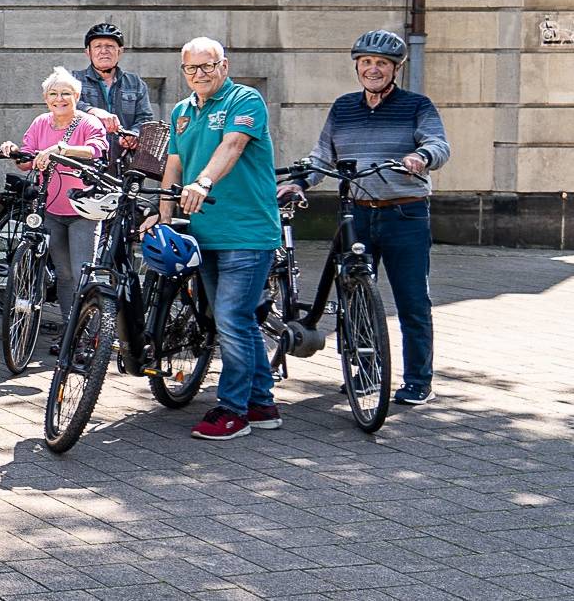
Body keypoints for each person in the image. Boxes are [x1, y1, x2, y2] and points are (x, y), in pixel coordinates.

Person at [281, 30, 449, 407]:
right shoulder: (343, 107)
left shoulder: (416, 105)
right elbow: (322, 156)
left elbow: (438, 143)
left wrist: (421, 157)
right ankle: (366, 372)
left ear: (395, 69)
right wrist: (300, 183)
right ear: (357, 66)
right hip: (356, 212)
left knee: (413, 301)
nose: (373, 69)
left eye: (382, 64)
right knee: (354, 298)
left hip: (405, 213)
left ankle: (419, 380)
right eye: (367, 62)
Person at [155, 37, 283, 441]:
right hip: (203, 234)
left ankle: (233, 410)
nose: (199, 75)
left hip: (247, 232)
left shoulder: (246, 100)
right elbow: (173, 161)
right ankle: (261, 403)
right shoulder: (181, 111)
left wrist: (204, 181)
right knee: (230, 320)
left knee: (231, 318)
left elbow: (233, 145)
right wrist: (161, 212)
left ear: (223, 66)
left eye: (207, 66)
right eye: (191, 68)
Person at [0, 68, 109, 331]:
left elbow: (96, 149)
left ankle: (90, 334)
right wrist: (13, 150)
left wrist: (61, 149)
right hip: (51, 207)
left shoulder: (87, 123)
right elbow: (26, 161)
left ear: (77, 95)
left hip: (83, 208)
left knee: (83, 272)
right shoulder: (40, 123)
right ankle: (70, 330)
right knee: (64, 274)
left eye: (66, 93)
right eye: (53, 94)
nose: (59, 98)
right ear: (45, 98)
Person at [76, 22, 158, 142]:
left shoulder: (135, 83)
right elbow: (65, 106)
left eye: (110, 46)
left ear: (119, 51)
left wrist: (134, 134)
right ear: (88, 52)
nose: (104, 51)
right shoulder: (74, 80)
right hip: (85, 156)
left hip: (125, 157)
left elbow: (145, 118)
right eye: (98, 46)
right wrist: (92, 111)